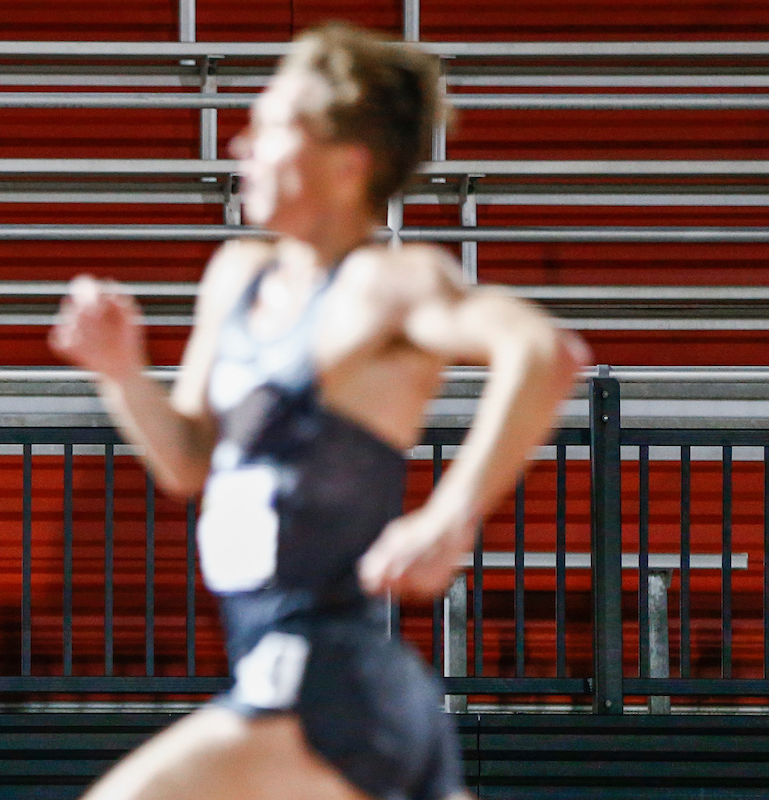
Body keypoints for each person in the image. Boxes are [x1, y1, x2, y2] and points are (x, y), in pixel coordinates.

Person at [50, 22, 586, 800]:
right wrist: (120, 373)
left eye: (270, 126)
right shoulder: (236, 275)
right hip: (300, 671)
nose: (240, 143)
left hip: (325, 678)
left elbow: (544, 353)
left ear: (347, 163)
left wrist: (450, 514)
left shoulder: (386, 286)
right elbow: (187, 461)